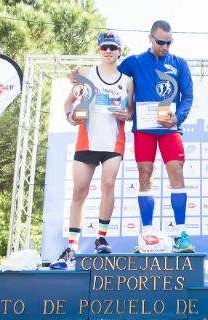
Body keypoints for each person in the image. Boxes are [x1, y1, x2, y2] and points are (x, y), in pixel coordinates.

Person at [51, 31, 133, 269]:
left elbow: (130, 113)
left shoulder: (127, 80)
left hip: (113, 143)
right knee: (79, 192)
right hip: (87, 140)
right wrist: (70, 116)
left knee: (108, 185)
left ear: (119, 51)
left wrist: (126, 115)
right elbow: (69, 103)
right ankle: (71, 247)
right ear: (99, 50)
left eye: (113, 47)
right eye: (104, 47)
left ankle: (102, 237)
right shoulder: (86, 73)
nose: (108, 51)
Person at [117, 20, 195, 253]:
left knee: (177, 173)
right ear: (150, 38)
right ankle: (148, 233)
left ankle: (181, 233)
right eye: (160, 42)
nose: (165, 46)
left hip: (169, 129)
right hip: (143, 129)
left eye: (169, 42)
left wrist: (177, 118)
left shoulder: (179, 63)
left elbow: (188, 96)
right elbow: (114, 82)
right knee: (144, 175)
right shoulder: (134, 62)